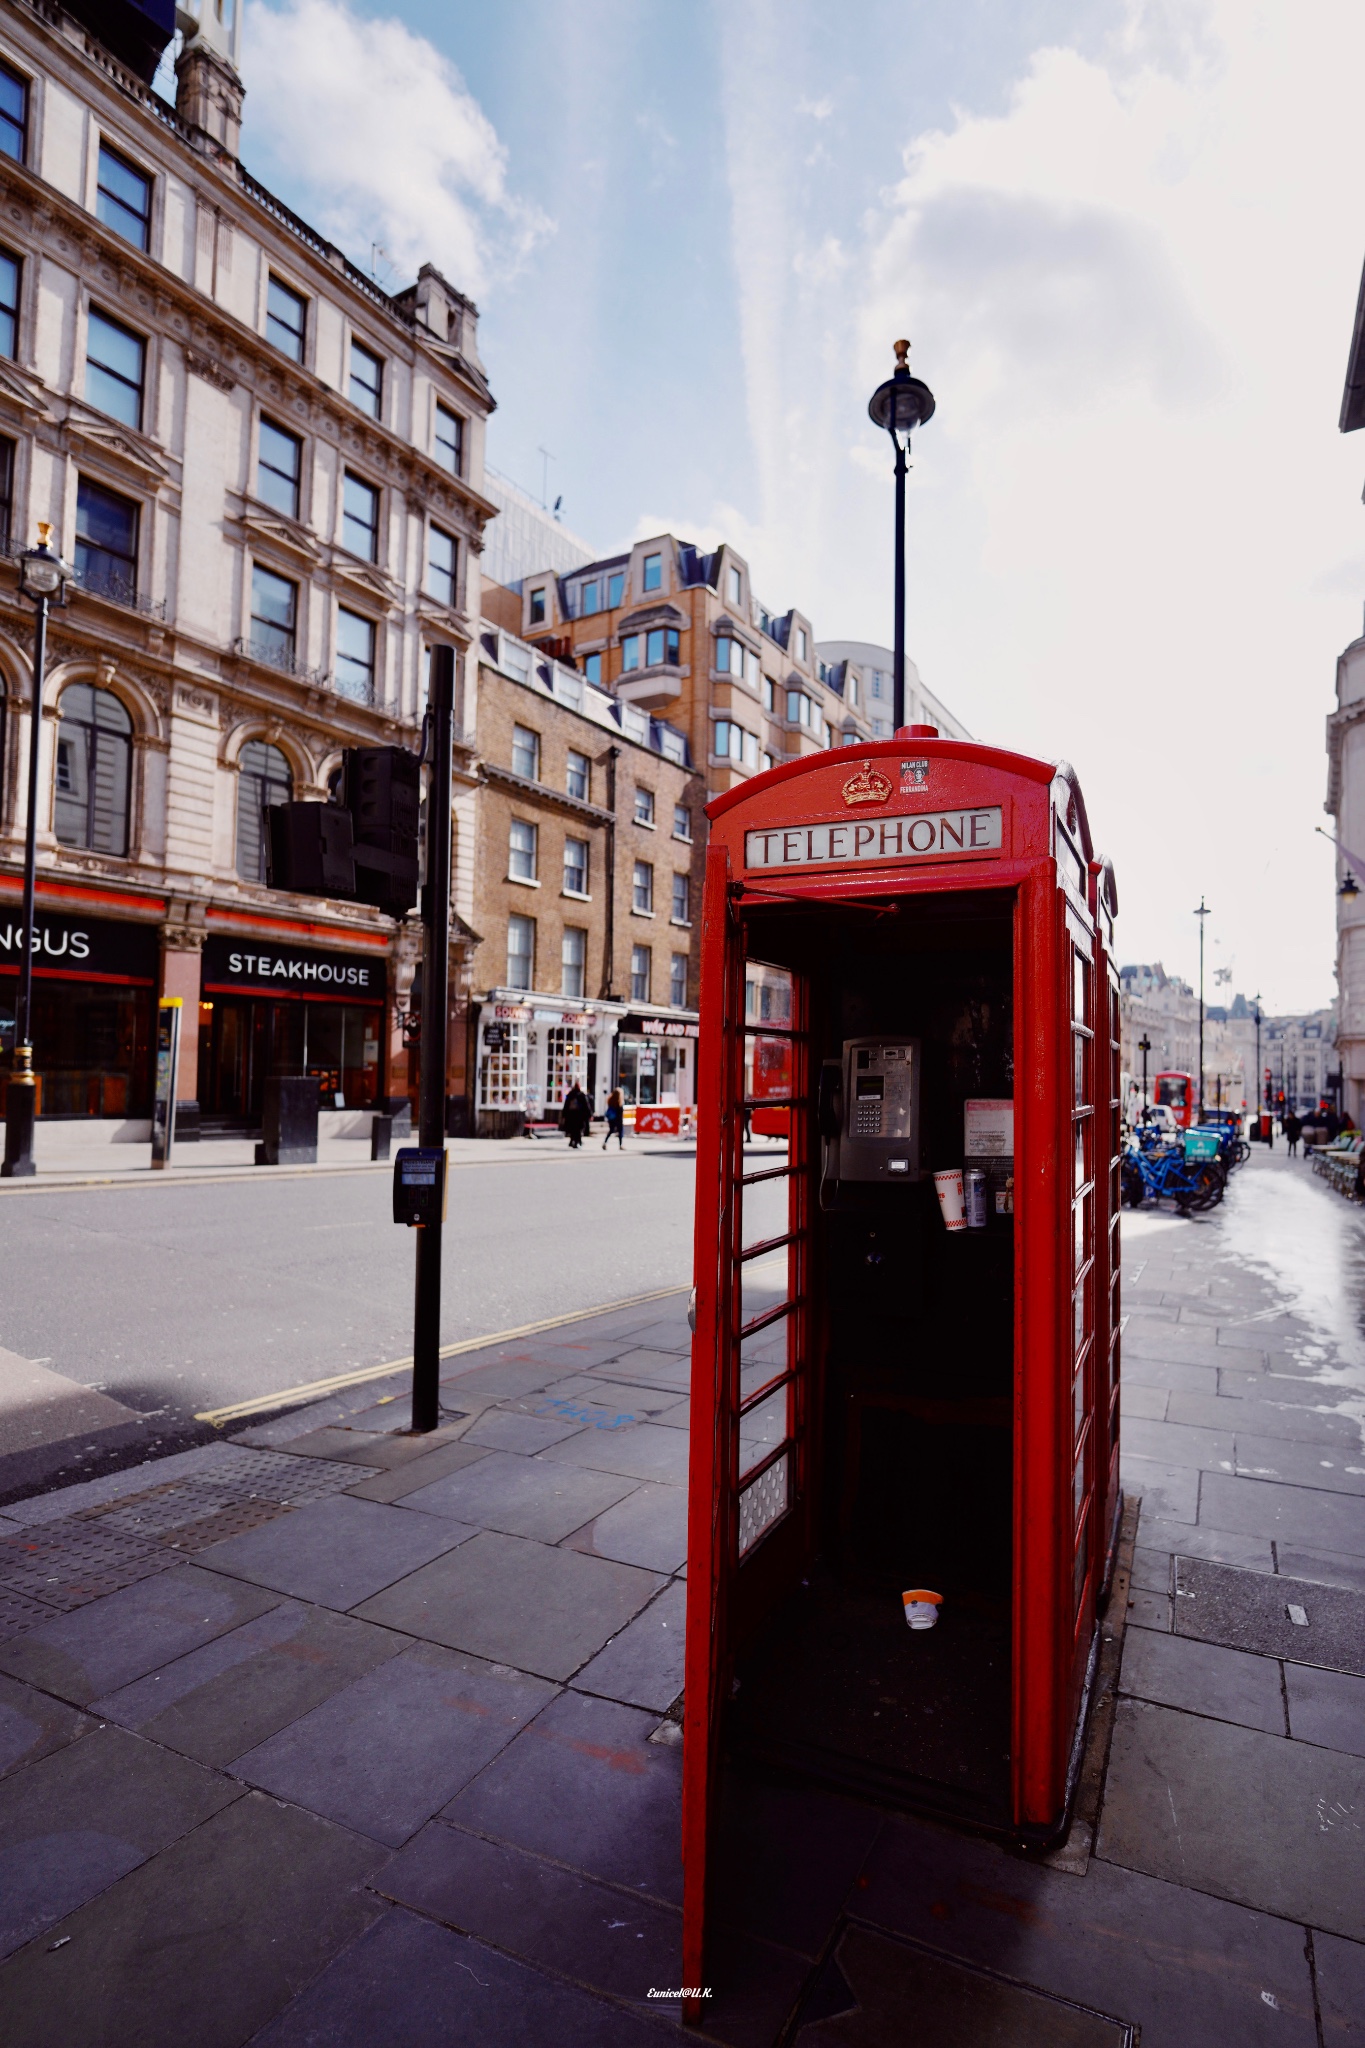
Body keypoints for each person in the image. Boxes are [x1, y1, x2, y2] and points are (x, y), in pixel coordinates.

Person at [560, 1082, 591, 1150]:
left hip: (571, 1115)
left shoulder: (570, 1094)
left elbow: (566, 1105)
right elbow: (586, 1105)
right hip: (579, 1116)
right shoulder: (581, 1095)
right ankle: (577, 1142)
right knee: (578, 1129)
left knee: (573, 1129)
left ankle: (573, 1141)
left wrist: (564, 1115)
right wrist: (589, 1114)